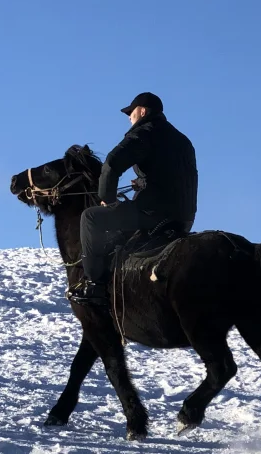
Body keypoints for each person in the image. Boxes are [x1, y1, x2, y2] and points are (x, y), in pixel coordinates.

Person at [73, 92, 198, 307]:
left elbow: (112, 163)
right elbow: (172, 175)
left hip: (153, 214)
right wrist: (142, 183)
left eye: (131, 113)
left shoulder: (144, 132)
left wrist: (107, 198)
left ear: (142, 111)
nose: (130, 118)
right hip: (184, 217)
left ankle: (95, 285)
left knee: (90, 218)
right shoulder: (182, 139)